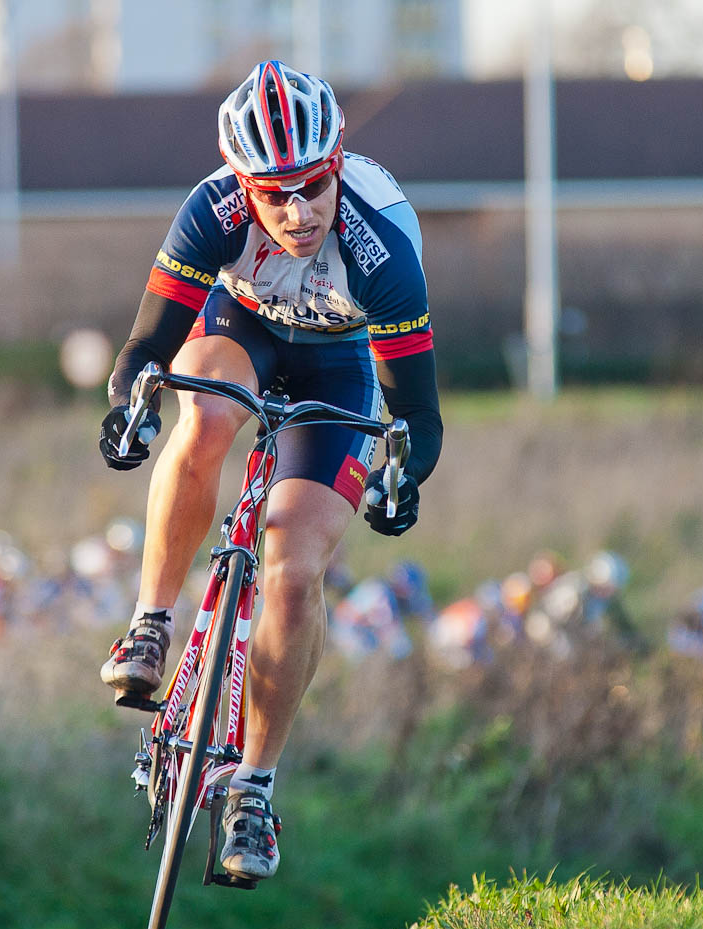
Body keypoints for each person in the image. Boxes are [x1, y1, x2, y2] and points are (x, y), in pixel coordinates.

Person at [97, 61, 442, 882]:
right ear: (242, 185)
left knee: (293, 566)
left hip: (342, 365)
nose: (296, 212)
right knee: (205, 410)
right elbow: (145, 349)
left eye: (312, 188)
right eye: (273, 193)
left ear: (337, 165)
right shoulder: (211, 210)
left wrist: (404, 480)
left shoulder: (381, 243)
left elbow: (416, 417)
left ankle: (253, 786)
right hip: (242, 328)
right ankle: (150, 622)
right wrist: (126, 408)